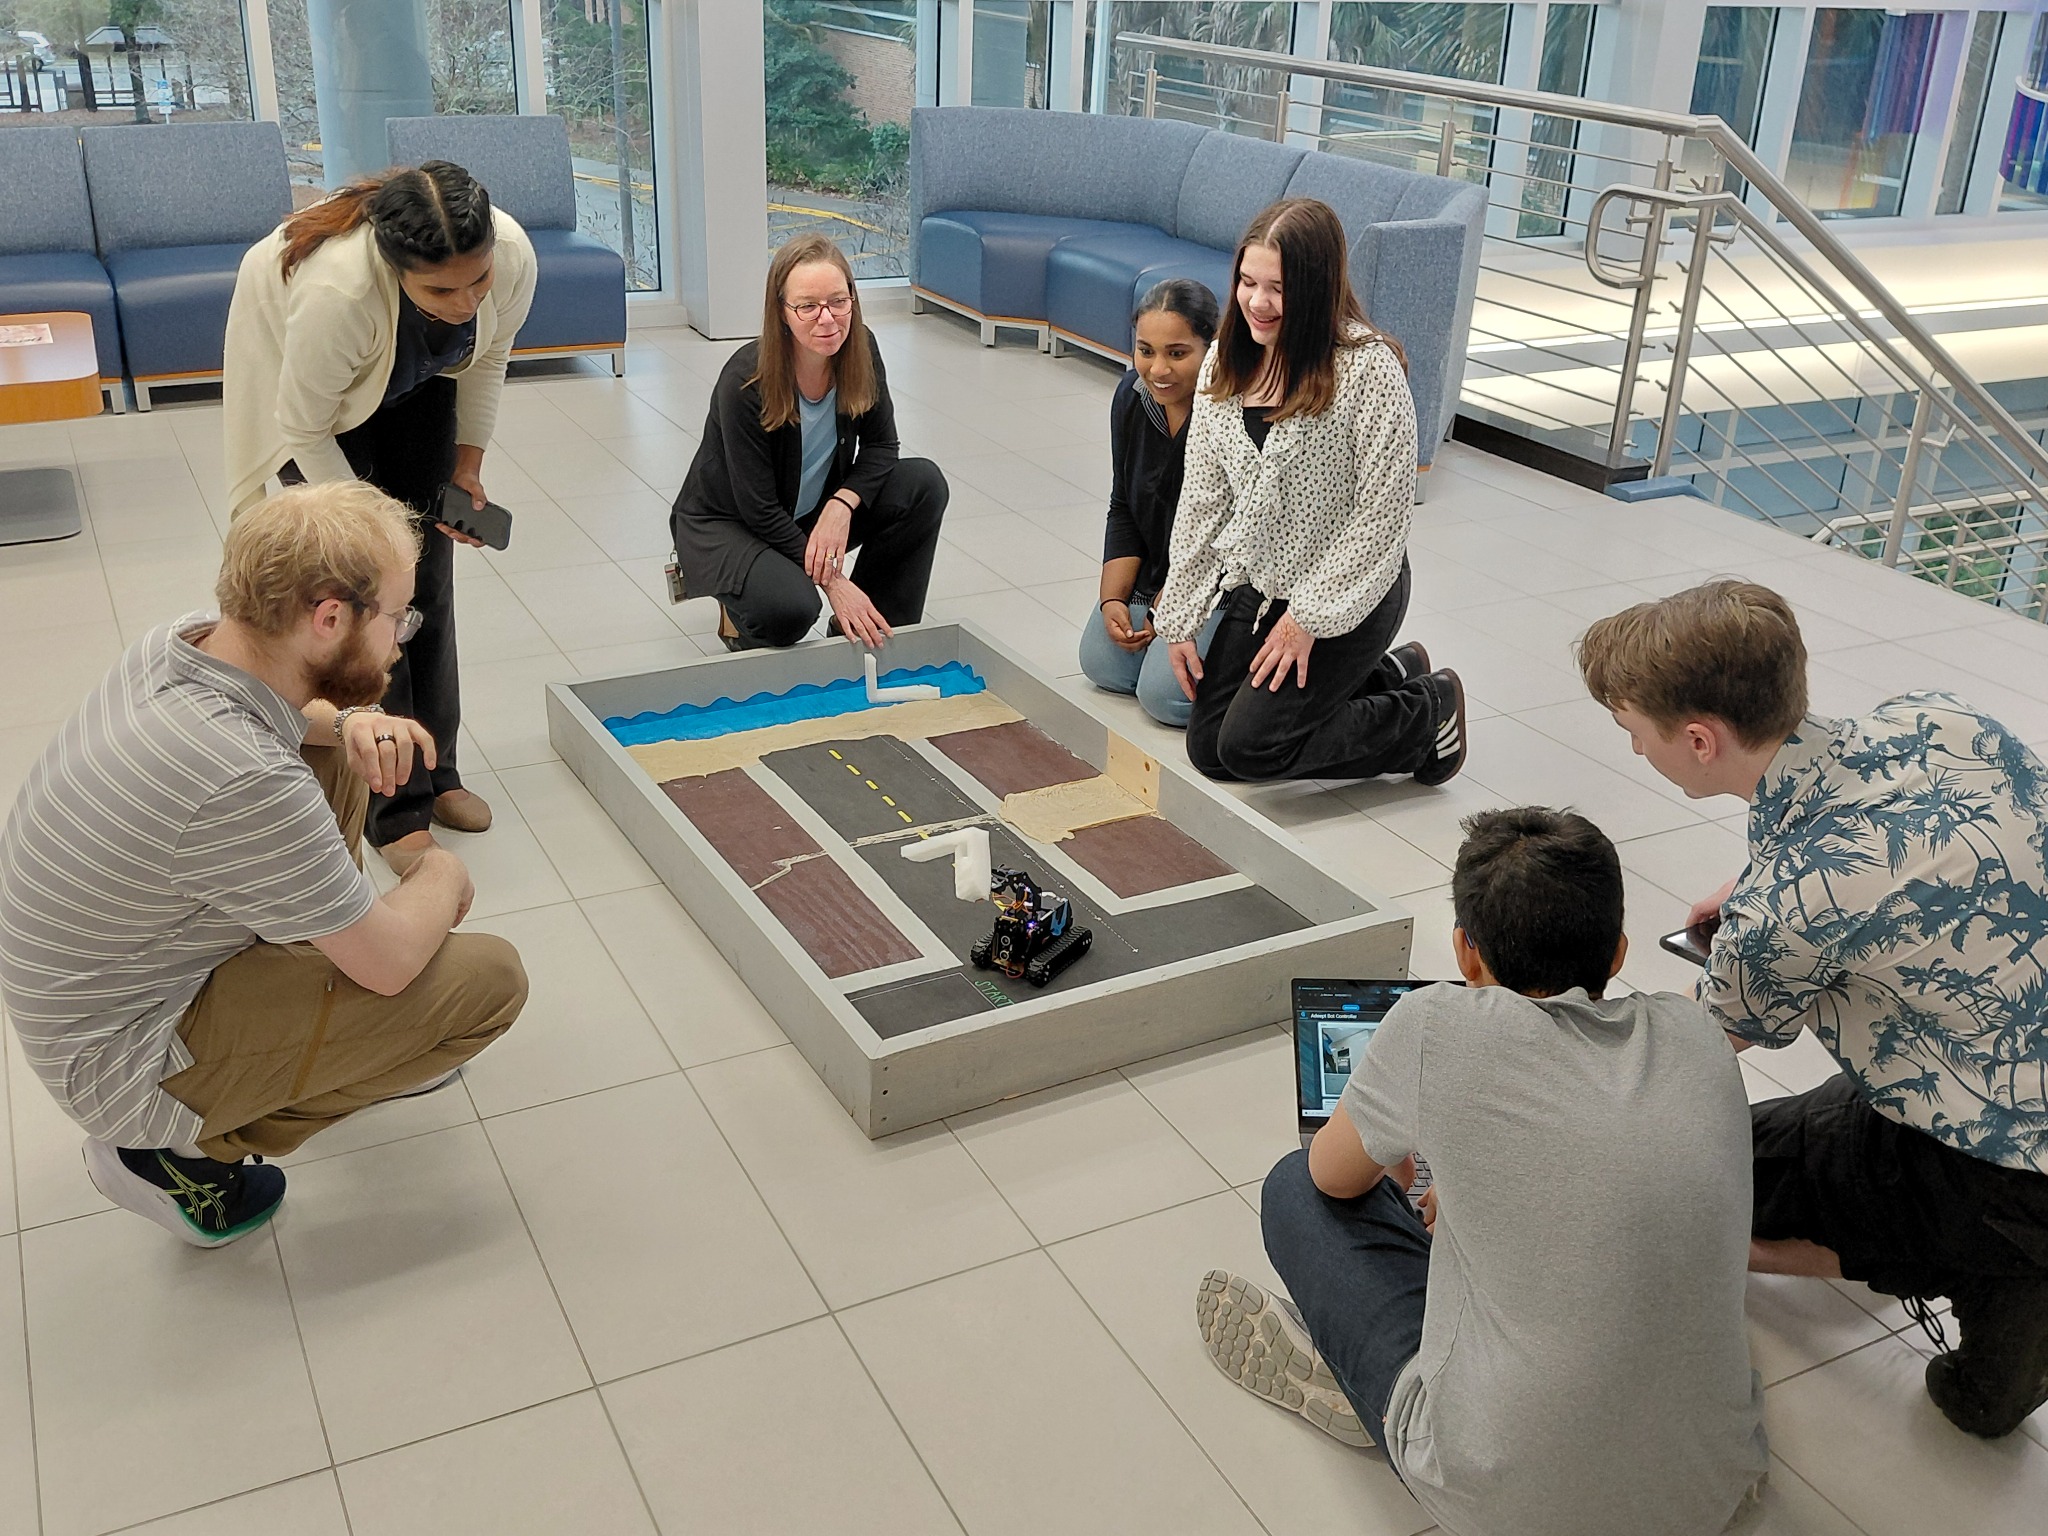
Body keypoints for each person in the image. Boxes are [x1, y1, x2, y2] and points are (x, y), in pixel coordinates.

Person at [1201, 808, 1767, 1536]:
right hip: (1711, 1485)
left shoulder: (1435, 1026)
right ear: (1620, 951)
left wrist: (1410, 1152)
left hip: (1503, 1497)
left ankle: (1378, 1402)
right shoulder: (1696, 1033)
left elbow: (1334, 1176)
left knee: (1292, 1190)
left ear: (1467, 953)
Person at [0, 483, 527, 1249]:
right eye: (396, 618)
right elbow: (388, 964)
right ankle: (178, 1156)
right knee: (486, 982)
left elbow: (311, 719)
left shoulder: (181, 643)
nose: (403, 639)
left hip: (98, 993)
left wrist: (352, 717)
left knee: (345, 745)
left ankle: (305, 1021)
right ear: (329, 619)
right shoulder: (241, 776)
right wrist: (439, 875)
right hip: (124, 1064)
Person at [1578, 579, 2048, 1439]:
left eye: (1635, 734)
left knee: (1706, 1186)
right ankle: (2001, 1252)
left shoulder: (1783, 915)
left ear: (1697, 739)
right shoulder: (1936, 719)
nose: (1637, 753)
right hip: (2021, 1069)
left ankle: (1978, 1253)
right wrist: (1771, 885)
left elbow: (1690, 1060)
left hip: (2005, 1155)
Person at [223, 160, 538, 873]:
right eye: (440, 289)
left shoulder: (510, 254)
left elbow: (485, 361)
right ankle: (393, 812)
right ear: (397, 268)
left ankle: (440, 770)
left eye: (477, 281)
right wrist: (377, 537)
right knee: (367, 609)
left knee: (430, 587)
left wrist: (467, 467)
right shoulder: (338, 291)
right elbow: (303, 429)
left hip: (418, 380)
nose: (464, 301)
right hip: (319, 414)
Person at [1148, 198, 1464, 787]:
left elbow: (1381, 519)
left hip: (1350, 590)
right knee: (1211, 751)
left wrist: (1308, 621)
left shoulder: (1368, 371)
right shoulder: (1225, 358)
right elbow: (1203, 500)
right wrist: (1182, 618)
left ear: (1318, 287)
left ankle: (1427, 714)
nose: (1257, 303)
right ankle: (1387, 675)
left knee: (1251, 749)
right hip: (1265, 584)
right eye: (1247, 281)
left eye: (1278, 288)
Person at [670, 233, 947, 651]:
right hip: (733, 524)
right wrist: (835, 582)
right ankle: (739, 610)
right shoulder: (745, 381)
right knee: (792, 609)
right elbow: (759, 509)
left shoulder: (862, 349)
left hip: (806, 509)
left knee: (923, 484)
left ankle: (871, 627)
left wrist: (842, 504)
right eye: (807, 306)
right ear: (781, 312)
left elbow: (882, 446)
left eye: (838, 301)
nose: (828, 319)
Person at [1077, 279, 1225, 729]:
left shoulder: (1228, 411)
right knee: (1102, 662)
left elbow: (1237, 535)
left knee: (1164, 698)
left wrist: (1179, 599)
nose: (1158, 369)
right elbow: (1123, 504)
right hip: (1161, 577)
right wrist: (1112, 600)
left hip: (1218, 585)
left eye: (1177, 353)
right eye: (1146, 351)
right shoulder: (1131, 396)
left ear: (1211, 348)